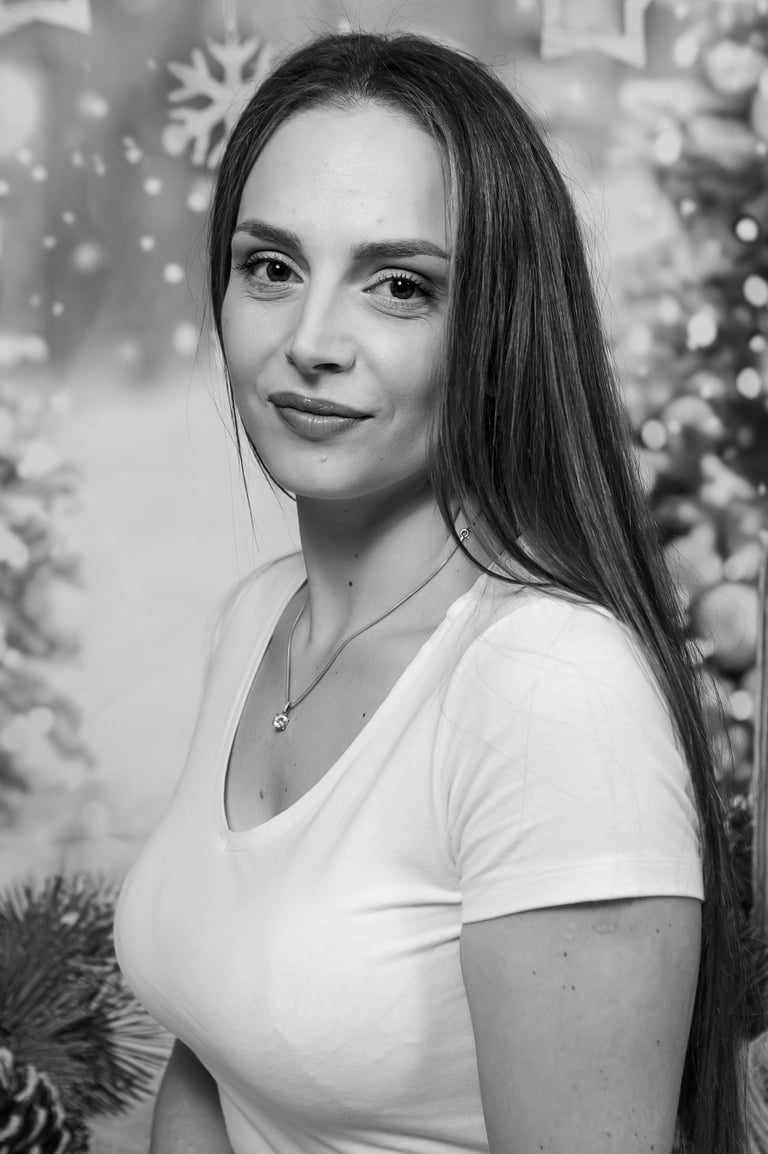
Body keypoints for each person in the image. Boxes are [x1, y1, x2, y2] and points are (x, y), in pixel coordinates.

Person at [114, 29, 752, 1154]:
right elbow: (215, 1060)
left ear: (496, 329)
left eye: (398, 285)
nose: (311, 341)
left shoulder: (549, 689)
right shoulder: (258, 618)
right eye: (272, 266)